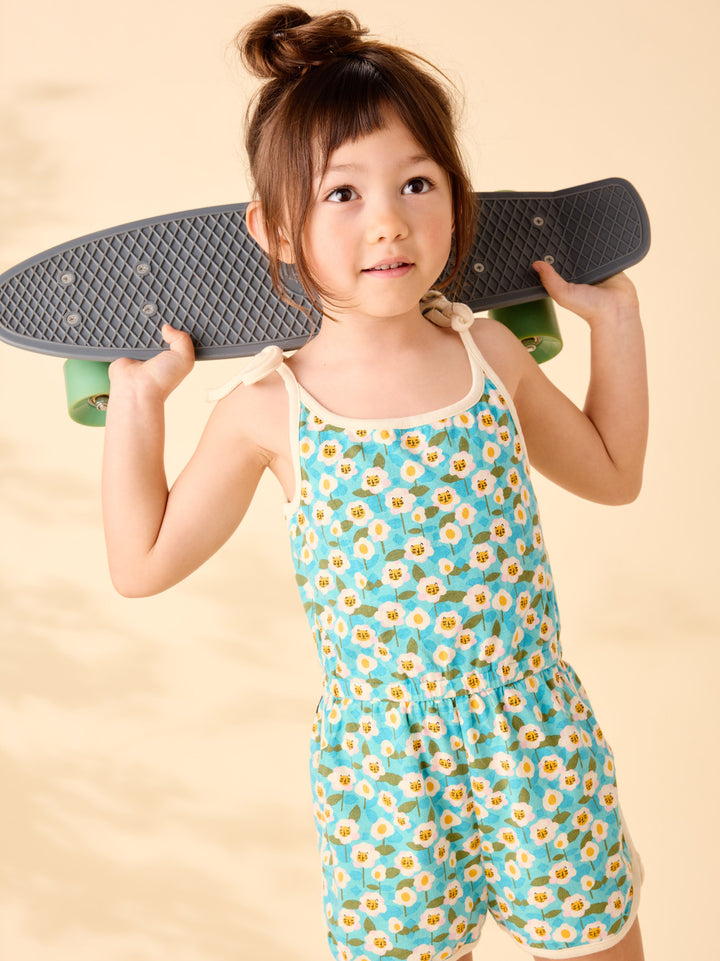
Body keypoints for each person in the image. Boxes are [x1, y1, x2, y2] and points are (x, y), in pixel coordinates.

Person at [101, 6, 648, 960]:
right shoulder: (270, 409)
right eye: (341, 195)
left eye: (416, 182)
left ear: (455, 199)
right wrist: (138, 405)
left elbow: (612, 474)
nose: (388, 219)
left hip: (537, 747)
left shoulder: (490, 355)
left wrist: (620, 321)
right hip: (387, 784)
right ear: (275, 228)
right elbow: (140, 562)